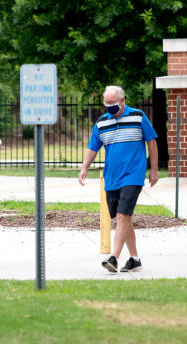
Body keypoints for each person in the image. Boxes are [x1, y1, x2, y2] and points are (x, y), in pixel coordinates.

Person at [78, 85, 159, 273]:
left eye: (112, 102)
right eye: (106, 103)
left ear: (122, 101)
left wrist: (154, 170)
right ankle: (135, 259)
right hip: (112, 177)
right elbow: (93, 147)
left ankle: (113, 258)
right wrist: (84, 167)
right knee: (122, 218)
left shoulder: (138, 116)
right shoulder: (101, 122)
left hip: (133, 175)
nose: (108, 106)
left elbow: (152, 142)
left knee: (123, 216)